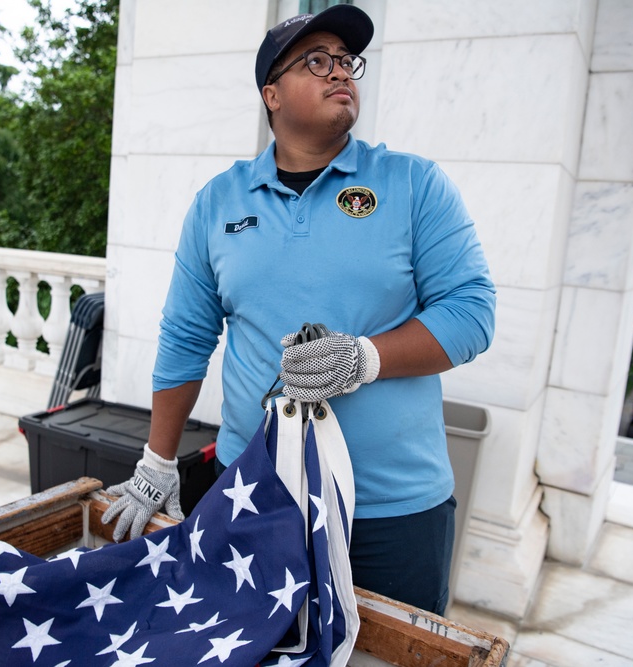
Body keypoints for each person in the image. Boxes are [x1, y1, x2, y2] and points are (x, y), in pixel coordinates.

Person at [102, 3, 496, 616]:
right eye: (317, 61)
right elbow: (185, 335)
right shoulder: (218, 202)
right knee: (248, 647)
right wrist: (157, 460)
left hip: (392, 510)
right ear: (272, 95)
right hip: (257, 495)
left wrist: (364, 358)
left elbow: (472, 313)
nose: (341, 72)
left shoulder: (414, 184)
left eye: (347, 60)